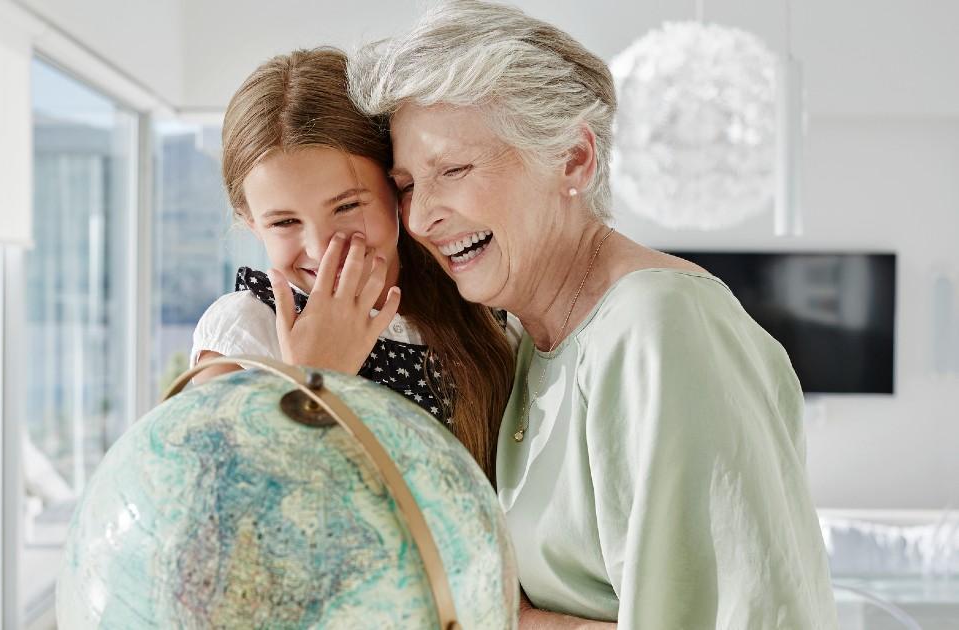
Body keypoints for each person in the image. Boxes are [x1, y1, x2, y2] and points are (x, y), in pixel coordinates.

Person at [348, 1, 839, 628]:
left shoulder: (660, 326)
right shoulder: (527, 340)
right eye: (410, 184)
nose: (420, 219)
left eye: (455, 170)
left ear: (574, 160)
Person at [189, 47, 517, 475]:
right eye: (285, 221)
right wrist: (313, 379)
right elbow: (222, 518)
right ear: (251, 224)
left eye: (346, 207)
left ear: (396, 186)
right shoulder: (246, 333)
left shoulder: (473, 291)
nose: (323, 248)